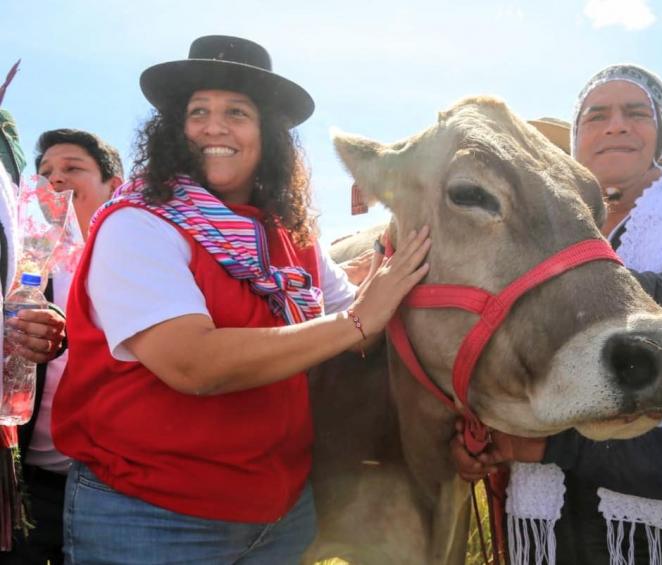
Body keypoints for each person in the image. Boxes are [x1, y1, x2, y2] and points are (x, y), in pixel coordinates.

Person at [50, 35, 430, 564]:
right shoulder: (138, 224)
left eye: (237, 112)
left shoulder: (290, 235)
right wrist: (356, 323)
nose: (213, 126)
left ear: (267, 134)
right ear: (175, 130)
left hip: (281, 515)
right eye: (198, 110)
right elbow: (193, 363)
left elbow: (363, 311)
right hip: (151, 519)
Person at [451, 64, 662, 565]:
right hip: (549, 530)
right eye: (596, 116)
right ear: (575, 142)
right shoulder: (538, 243)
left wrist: (528, 269)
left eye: (636, 112)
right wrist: (481, 439)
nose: (615, 125)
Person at [0, 129, 123, 565]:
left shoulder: (138, 262)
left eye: (73, 168)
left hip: (113, 490)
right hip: (27, 484)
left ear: (114, 185)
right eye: (46, 172)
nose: (55, 179)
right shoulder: (21, 269)